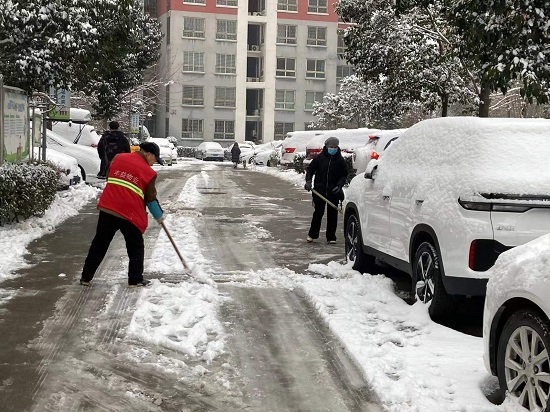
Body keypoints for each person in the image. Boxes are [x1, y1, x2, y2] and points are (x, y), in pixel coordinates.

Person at [80, 142, 165, 287]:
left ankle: (86, 278)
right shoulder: (149, 172)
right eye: (155, 160)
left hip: (109, 208)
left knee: (99, 243)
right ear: (148, 154)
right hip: (129, 214)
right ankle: (135, 279)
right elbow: (150, 199)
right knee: (135, 247)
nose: (154, 164)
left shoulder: (118, 158)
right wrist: (159, 216)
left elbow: (109, 177)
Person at [304, 136, 348, 244]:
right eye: (331, 146)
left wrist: (339, 185)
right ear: (326, 146)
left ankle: (331, 237)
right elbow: (310, 170)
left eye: (335, 147)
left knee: (332, 215)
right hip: (319, 191)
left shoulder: (340, 160)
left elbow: (344, 174)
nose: (333, 149)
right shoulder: (319, 158)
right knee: (318, 213)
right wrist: (308, 181)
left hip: (333, 191)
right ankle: (312, 234)